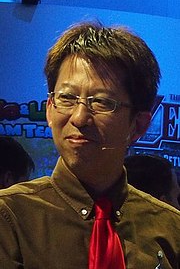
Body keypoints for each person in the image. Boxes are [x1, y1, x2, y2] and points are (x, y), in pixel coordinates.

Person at [0, 21, 179, 269]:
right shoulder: (10, 218)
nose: (79, 117)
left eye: (103, 102)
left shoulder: (171, 229)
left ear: (138, 125)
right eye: (66, 98)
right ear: (50, 110)